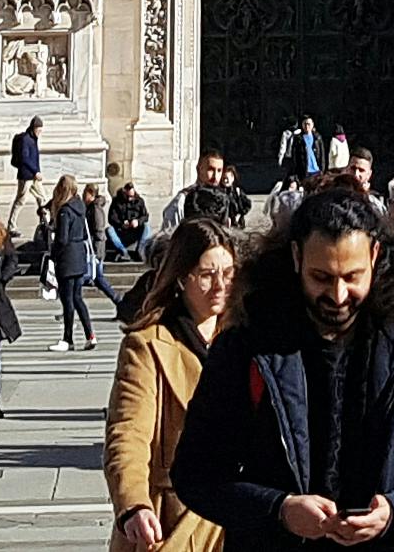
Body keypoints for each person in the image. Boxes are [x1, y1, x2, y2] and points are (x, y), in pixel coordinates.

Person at [171, 184, 394, 552]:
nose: (337, 296)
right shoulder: (248, 343)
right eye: (321, 277)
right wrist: (279, 510)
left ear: (375, 255)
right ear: (296, 258)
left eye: (352, 277)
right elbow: (196, 473)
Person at [107, 215, 240, 552]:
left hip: (242, 511)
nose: (221, 285)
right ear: (181, 278)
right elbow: (128, 433)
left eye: (228, 273)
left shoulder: (247, 337)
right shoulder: (147, 345)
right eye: (207, 275)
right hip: (175, 518)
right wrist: (134, 503)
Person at [54, 178, 104, 352]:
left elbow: (62, 238)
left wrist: (53, 251)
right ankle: (90, 335)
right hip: (79, 255)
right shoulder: (80, 207)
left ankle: (68, 339)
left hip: (67, 257)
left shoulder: (64, 211)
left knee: (67, 299)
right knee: (77, 298)